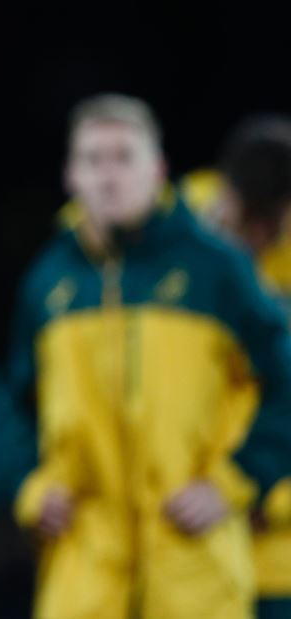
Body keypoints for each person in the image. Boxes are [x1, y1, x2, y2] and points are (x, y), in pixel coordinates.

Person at [10, 93, 291, 619]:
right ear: (72, 175)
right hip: (84, 567)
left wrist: (238, 479)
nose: (108, 175)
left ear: (158, 170)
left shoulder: (217, 268)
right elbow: (15, 406)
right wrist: (33, 486)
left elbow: (285, 380)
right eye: (92, 160)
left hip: (193, 564)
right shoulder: (47, 281)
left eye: (124, 158)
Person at [181, 115, 291, 619]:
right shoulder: (174, 228)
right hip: (182, 533)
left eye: (277, 225)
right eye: (257, 224)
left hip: (275, 552)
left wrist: (262, 493)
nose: (266, 238)